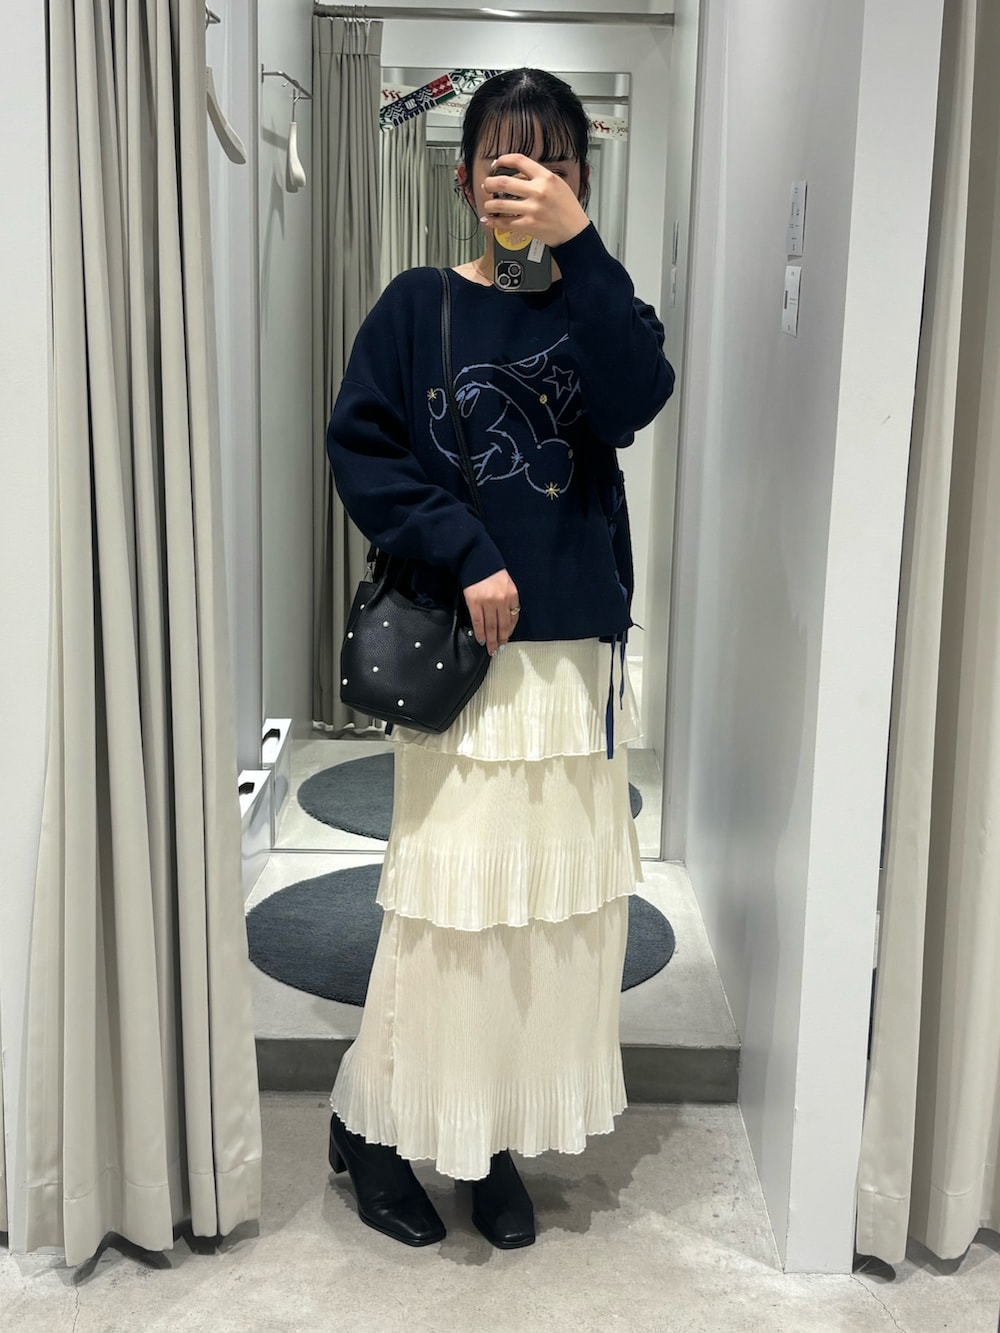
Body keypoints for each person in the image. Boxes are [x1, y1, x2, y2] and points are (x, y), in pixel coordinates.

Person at [325, 67, 675, 1250]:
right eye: (502, 158)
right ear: (467, 178)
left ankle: (490, 1139)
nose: (524, 179)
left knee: (543, 924)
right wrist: (465, 548)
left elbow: (632, 399)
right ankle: (374, 1127)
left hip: (572, 668)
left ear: (581, 178)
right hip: (467, 663)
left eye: (552, 160)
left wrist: (580, 250)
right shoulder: (418, 303)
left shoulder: (597, 305)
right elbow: (363, 449)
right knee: (449, 919)